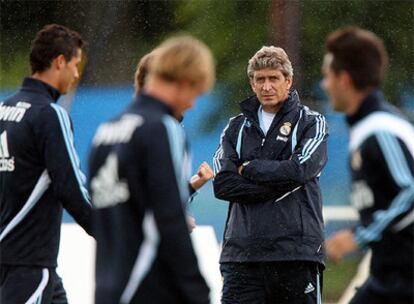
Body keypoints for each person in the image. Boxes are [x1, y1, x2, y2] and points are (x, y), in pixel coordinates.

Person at [88, 36, 215, 304]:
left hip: (108, 288)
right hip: (148, 286)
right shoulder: (162, 128)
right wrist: (198, 292)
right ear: (184, 82)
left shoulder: (106, 131)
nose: (192, 103)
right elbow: (169, 218)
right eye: (196, 92)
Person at [213, 46, 328, 304]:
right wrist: (282, 181)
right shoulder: (234, 128)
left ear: (288, 81)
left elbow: (301, 169)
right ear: (252, 83)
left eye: (273, 78)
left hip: (296, 253)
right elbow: (223, 185)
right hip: (242, 256)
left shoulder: (311, 122)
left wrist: (250, 168)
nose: (266, 86)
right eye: (260, 79)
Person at [0, 24, 93, 303]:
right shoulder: (51, 115)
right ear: (60, 61)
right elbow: (72, 189)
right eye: (76, 65)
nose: (77, 75)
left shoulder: (5, 109)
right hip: (28, 263)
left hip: (12, 257)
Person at [323, 27, 414, 304]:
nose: (324, 85)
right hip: (390, 275)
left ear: (344, 79)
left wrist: (358, 236)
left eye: (327, 77)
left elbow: (409, 191)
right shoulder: (366, 128)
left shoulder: (380, 129)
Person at [134, 49, 214, 232]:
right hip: (149, 246)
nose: (192, 101)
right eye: (188, 86)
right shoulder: (161, 129)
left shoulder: (120, 125)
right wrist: (174, 218)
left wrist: (193, 185)